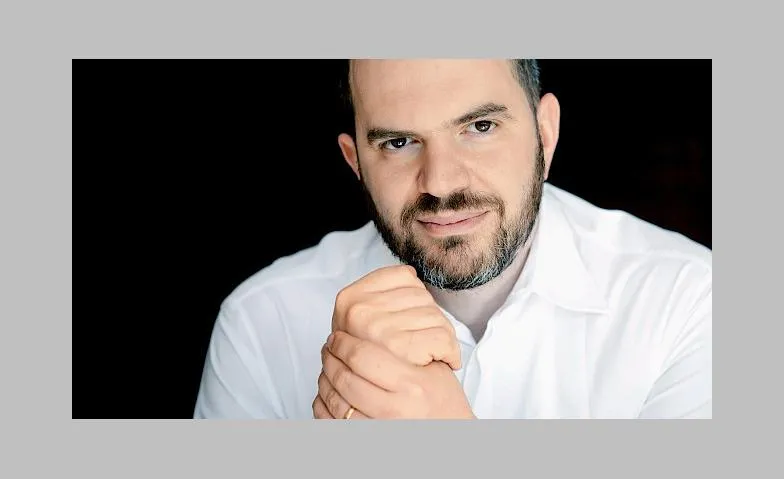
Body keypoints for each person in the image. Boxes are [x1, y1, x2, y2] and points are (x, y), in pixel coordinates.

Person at [193, 59, 712, 419]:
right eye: (399, 142)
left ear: (545, 134)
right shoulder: (262, 323)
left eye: (480, 127)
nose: (440, 183)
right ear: (356, 163)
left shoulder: (691, 303)